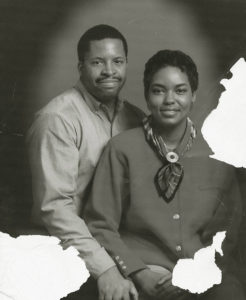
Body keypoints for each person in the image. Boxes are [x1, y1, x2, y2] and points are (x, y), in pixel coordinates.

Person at [84, 50, 245, 299]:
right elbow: (100, 224)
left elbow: (229, 231)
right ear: (147, 97)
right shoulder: (121, 149)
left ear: (193, 96)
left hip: (201, 271)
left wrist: (197, 271)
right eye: (159, 90)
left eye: (180, 91)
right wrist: (138, 271)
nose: (170, 99)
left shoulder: (217, 153)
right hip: (145, 270)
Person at [26, 24, 144, 300]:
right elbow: (55, 209)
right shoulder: (58, 118)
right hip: (65, 252)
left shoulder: (135, 118)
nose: (109, 71)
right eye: (97, 62)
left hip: (118, 244)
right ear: (80, 67)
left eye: (117, 61)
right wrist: (105, 270)